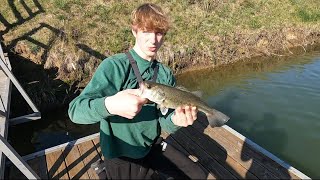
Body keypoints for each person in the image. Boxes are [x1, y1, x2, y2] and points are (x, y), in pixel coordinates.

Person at [68, 3, 207, 179]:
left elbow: (165, 122)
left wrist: (177, 120)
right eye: (146, 32)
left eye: (159, 33)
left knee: (197, 176)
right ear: (134, 31)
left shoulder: (165, 74)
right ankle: (104, 170)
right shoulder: (114, 66)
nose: (153, 40)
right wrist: (110, 105)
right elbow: (75, 111)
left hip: (152, 145)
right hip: (121, 152)